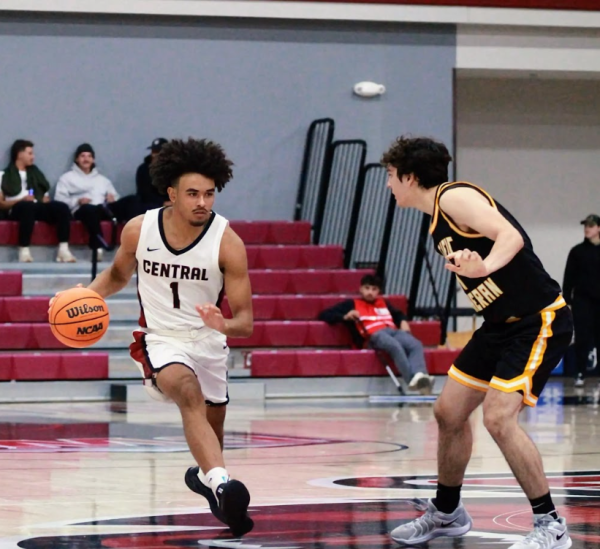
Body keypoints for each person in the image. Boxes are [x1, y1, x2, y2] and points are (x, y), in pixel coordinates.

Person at [50, 138, 254, 536]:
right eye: (193, 193)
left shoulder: (228, 243)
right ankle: (224, 484)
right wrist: (80, 298)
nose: (202, 202)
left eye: (209, 194)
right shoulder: (140, 229)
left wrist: (222, 324)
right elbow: (117, 276)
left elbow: (245, 320)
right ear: (171, 192)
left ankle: (208, 480)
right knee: (188, 392)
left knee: (213, 429)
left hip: (209, 341)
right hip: (159, 338)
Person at [382, 136, 573, 549]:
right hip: (498, 325)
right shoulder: (437, 216)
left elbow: (511, 236)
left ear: (410, 177)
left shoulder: (456, 197)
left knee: (498, 418)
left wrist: (484, 265)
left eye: (391, 176)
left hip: (537, 319)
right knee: (449, 412)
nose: (388, 184)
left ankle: (551, 525)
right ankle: (448, 512)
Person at [319, 274, 433, 394]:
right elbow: (325, 314)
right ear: (361, 289)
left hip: (393, 331)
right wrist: (345, 316)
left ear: (378, 291)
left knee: (415, 344)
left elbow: (398, 313)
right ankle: (411, 380)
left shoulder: (383, 303)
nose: (370, 292)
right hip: (373, 335)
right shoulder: (351, 304)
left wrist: (403, 321)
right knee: (394, 346)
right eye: (367, 288)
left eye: (374, 289)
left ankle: (420, 376)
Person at [55, 144, 138, 260]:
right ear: (77, 159)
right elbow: (59, 200)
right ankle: (97, 246)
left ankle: (135, 245)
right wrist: (77, 201)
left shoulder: (102, 180)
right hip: (81, 210)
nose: (86, 159)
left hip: (102, 208)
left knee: (132, 200)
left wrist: (112, 198)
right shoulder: (67, 178)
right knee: (89, 210)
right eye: (82, 156)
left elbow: (115, 197)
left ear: (93, 159)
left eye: (89, 156)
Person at [0, 139, 75, 263]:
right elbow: (1, 204)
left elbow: (45, 198)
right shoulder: (3, 175)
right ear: (19, 154)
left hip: (37, 205)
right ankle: (24, 249)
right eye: (30, 153)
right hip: (16, 208)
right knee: (27, 206)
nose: (33, 157)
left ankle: (63, 249)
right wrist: (21, 200)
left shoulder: (36, 175)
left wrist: (43, 201)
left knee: (61, 207)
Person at [563, 213, 600, 387]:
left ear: (598, 228)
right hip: (582, 302)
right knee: (582, 337)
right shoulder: (577, 251)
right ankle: (580, 372)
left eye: (591, 226)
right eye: (586, 225)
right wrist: (567, 301)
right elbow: (568, 278)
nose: (587, 228)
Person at [136, 137, 171, 211]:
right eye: (153, 151)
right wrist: (163, 203)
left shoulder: (173, 169)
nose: (154, 155)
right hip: (151, 207)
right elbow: (145, 194)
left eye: (158, 152)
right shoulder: (143, 169)